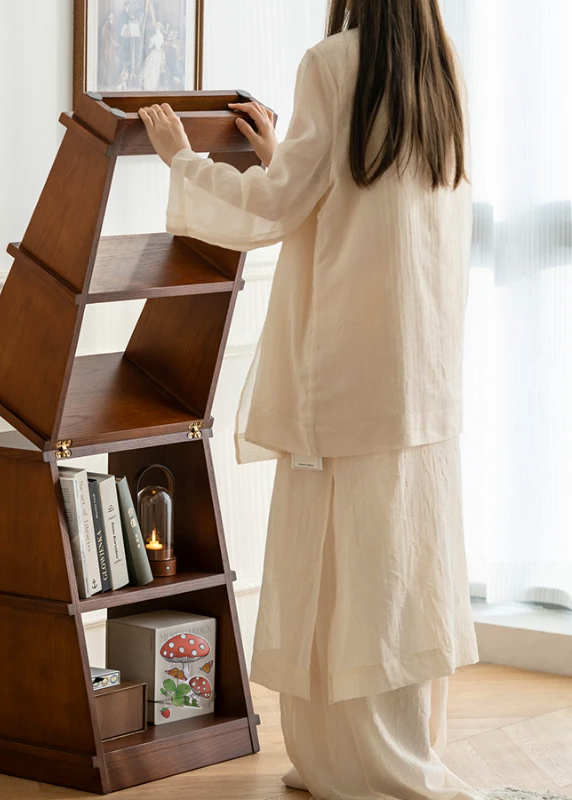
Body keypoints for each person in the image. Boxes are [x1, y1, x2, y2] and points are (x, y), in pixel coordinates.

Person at [138, 0, 480, 797]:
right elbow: (368, 189)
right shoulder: (441, 64)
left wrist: (180, 159)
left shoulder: (332, 64)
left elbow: (272, 210)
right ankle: (401, 746)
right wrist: (284, 150)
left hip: (345, 372)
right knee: (397, 570)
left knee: (338, 569)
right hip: (418, 371)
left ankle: (350, 762)